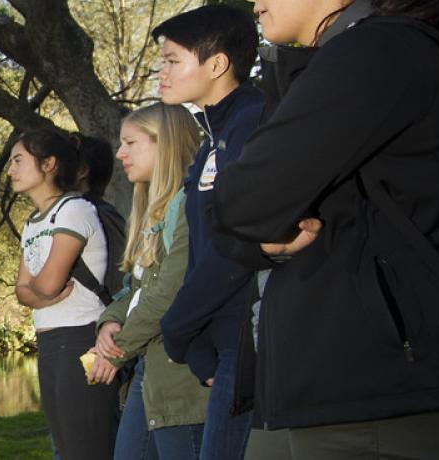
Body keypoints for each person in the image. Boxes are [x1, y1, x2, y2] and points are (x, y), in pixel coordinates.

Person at [212, 0, 439, 457]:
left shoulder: (376, 52)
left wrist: (248, 215)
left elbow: (244, 198)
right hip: (321, 390)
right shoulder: (337, 60)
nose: (256, 2)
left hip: (377, 392)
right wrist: (262, 237)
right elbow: (232, 226)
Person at [143, 6, 265, 460]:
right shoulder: (213, 137)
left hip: (249, 338)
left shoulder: (253, 121)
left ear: (217, 65)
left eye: (174, 60)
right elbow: (200, 242)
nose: (162, 71)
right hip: (219, 343)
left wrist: (177, 326)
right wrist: (194, 342)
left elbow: (239, 243)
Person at [94, 104, 209, 460]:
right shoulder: (149, 213)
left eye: (130, 142)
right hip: (149, 370)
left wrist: (118, 349)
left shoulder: (192, 207)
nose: (119, 153)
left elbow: (169, 291)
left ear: (165, 144)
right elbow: (134, 287)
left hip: (182, 376)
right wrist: (110, 320)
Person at [9, 129, 120, 460]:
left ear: (49, 164)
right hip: (48, 343)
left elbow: (45, 286)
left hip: (81, 340)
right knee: (66, 448)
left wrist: (39, 292)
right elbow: (22, 291)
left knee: (87, 448)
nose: (11, 171)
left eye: (18, 161)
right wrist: (38, 293)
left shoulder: (75, 210)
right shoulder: (32, 222)